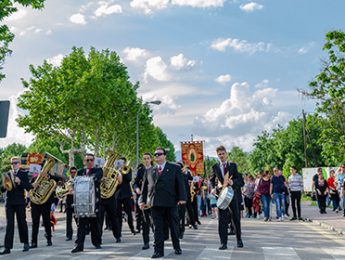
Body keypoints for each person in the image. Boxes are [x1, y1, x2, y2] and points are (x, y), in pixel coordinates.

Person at [139, 147, 186, 258]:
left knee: (174, 226)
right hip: (155, 203)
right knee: (157, 228)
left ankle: (177, 246)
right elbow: (145, 187)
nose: (157, 156)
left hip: (170, 202)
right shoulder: (150, 170)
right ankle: (158, 251)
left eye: (159, 154)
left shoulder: (174, 168)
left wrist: (182, 198)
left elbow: (180, 184)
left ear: (165, 156)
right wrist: (142, 200)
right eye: (155, 155)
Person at [210, 145, 244, 250]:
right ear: (217, 155)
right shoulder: (215, 167)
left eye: (223, 153)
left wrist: (232, 182)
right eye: (219, 154)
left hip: (232, 195)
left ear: (226, 154)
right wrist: (213, 188)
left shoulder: (233, 166)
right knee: (222, 220)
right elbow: (212, 180)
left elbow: (241, 181)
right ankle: (223, 243)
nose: (221, 156)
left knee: (236, 218)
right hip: (221, 196)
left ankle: (239, 239)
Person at [72, 153, 103, 253]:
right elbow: (75, 183)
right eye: (87, 160)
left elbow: (96, 177)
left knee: (95, 223)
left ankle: (97, 243)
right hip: (82, 202)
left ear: (93, 161)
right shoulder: (80, 171)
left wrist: (89, 178)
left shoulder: (98, 170)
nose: (89, 162)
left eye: (91, 160)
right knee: (81, 224)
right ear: (84, 161)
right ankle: (79, 245)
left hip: (94, 201)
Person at [0, 157, 31, 255]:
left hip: (20, 202)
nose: (14, 164)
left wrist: (20, 182)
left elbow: (29, 187)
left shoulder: (23, 173)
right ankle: (7, 247)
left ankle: (26, 243)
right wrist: (4, 186)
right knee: (10, 225)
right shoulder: (7, 174)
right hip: (9, 203)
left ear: (19, 164)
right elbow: (2, 189)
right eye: (12, 163)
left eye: (15, 163)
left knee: (22, 222)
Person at [134, 153, 153, 250]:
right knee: (145, 222)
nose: (146, 160)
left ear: (151, 159)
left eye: (148, 158)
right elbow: (135, 183)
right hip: (143, 199)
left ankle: (157, 240)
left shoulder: (154, 170)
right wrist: (137, 189)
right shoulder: (141, 170)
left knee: (154, 222)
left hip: (153, 199)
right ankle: (146, 242)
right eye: (144, 158)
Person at [114, 157, 136, 242]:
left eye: (123, 162)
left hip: (127, 194)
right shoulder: (115, 170)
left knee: (129, 213)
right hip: (117, 194)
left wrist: (122, 171)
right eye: (120, 162)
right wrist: (117, 172)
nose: (122, 163)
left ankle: (132, 228)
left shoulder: (128, 169)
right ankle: (118, 233)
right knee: (117, 214)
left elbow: (129, 179)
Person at [65, 166, 77, 241]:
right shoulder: (67, 181)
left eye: (74, 172)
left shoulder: (78, 180)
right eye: (72, 172)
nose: (73, 174)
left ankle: (83, 231)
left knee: (77, 219)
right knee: (68, 220)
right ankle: (69, 235)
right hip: (69, 201)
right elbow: (63, 189)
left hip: (76, 201)